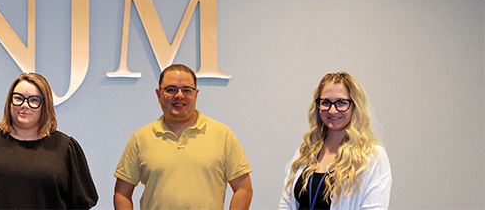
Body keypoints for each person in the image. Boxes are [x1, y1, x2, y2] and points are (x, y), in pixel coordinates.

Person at [0, 72, 98, 210]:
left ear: (44, 106)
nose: (24, 105)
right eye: (18, 98)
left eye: (33, 100)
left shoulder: (65, 148)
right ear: (10, 101)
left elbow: (80, 204)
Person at [114, 64, 253, 210]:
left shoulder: (223, 134)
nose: (179, 95)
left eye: (186, 90)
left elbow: (244, 189)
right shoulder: (140, 138)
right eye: (171, 89)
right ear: (159, 95)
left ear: (196, 94)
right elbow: (121, 193)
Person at [278, 72, 391, 210]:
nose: (332, 110)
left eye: (341, 102)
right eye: (325, 102)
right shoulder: (306, 151)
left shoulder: (373, 157)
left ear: (355, 106)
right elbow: (286, 205)